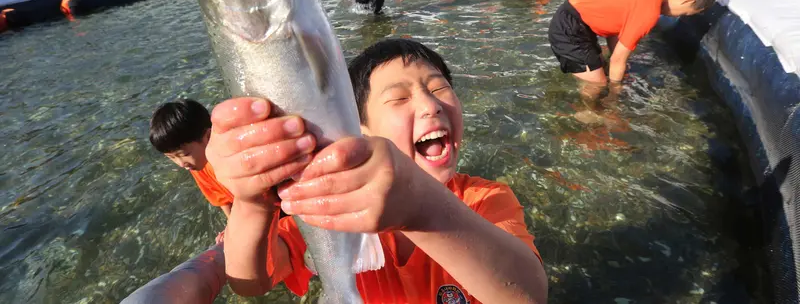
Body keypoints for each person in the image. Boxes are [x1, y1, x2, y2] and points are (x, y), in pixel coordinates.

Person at [204, 38, 548, 302]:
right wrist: (253, 203)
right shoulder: (329, 211)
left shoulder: (486, 200)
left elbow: (529, 294)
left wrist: (422, 209)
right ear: (361, 132)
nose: (430, 105)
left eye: (439, 87)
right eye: (399, 98)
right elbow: (250, 280)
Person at [548, 0, 718, 90]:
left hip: (575, 18)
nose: (678, 16)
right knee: (597, 87)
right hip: (569, 28)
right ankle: (584, 129)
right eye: (686, 13)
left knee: (601, 68)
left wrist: (617, 63)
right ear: (686, 1)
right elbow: (617, 61)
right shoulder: (649, 10)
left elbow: (617, 23)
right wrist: (614, 95)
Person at [149, 99, 233, 242]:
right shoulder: (197, 166)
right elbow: (222, 199)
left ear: (208, 136)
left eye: (185, 154)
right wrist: (232, 225)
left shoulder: (232, 159)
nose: (181, 164)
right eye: (171, 157)